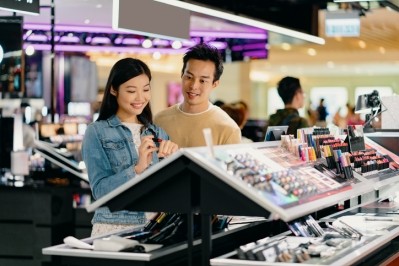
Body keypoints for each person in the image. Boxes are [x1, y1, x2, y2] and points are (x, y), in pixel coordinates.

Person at [82, 58, 178, 236]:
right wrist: (137, 169)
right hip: (114, 228)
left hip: (154, 227)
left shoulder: (159, 133)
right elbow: (99, 191)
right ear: (113, 89)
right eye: (131, 91)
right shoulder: (97, 132)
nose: (140, 98)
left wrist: (174, 163)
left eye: (146, 89)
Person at [154, 43, 241, 147]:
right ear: (182, 75)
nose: (194, 86)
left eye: (203, 81)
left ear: (215, 84)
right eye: (189, 77)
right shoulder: (159, 120)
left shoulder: (228, 129)